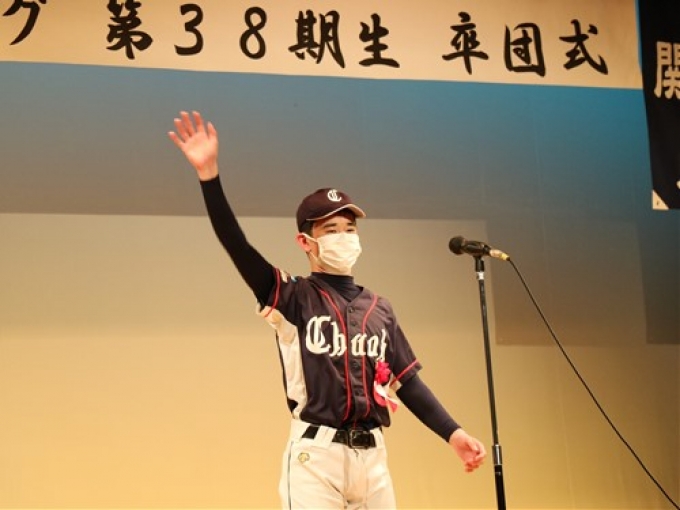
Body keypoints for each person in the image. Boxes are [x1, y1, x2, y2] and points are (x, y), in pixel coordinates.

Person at [168, 110, 486, 509]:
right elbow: (238, 246)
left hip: (373, 458)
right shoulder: (293, 297)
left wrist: (453, 434)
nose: (344, 237)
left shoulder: (379, 309)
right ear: (305, 241)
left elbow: (408, 383)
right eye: (331, 230)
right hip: (316, 456)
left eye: (350, 229)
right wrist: (209, 177)